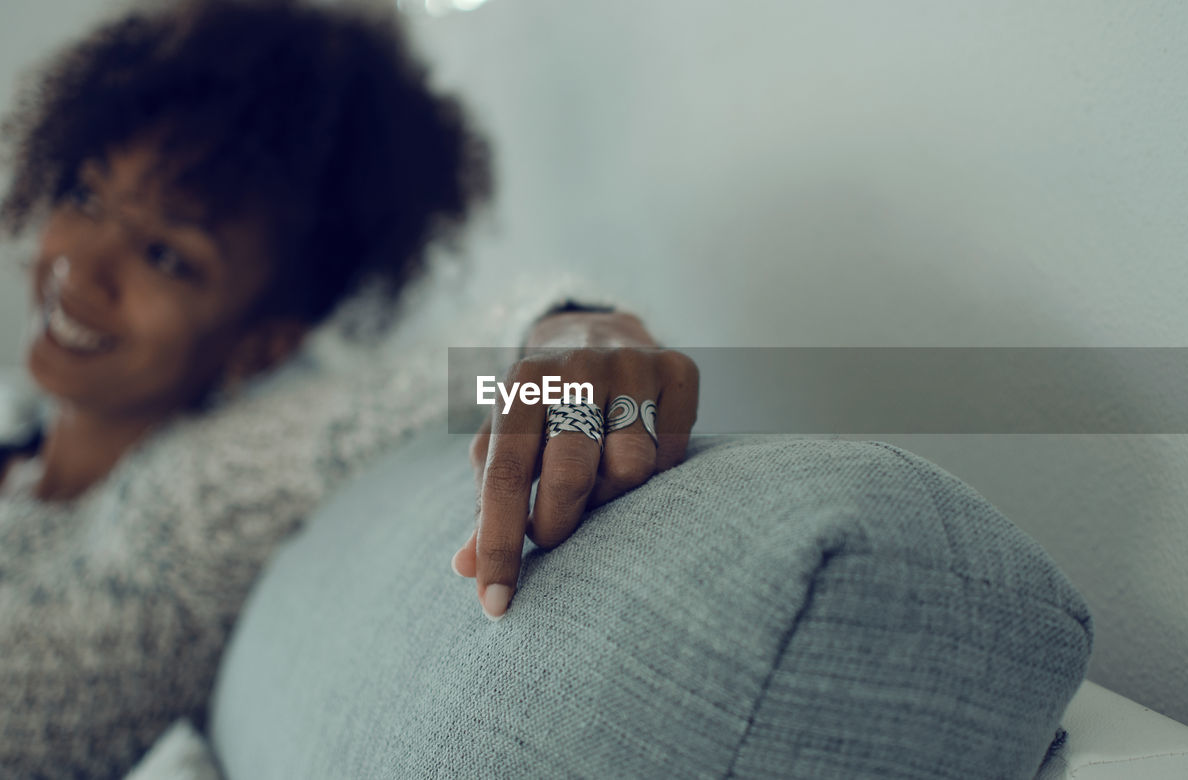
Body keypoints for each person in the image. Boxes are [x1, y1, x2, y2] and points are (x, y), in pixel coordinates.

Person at [0, 0, 699, 776]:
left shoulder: (189, 502)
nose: (79, 267)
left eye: (166, 255)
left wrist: (580, 335)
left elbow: (446, 365)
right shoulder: (21, 430)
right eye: (86, 198)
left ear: (264, 344)